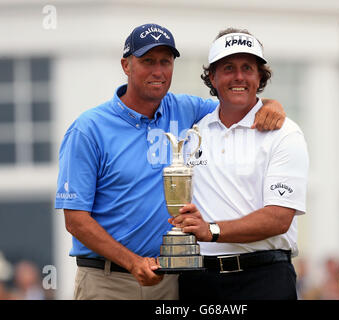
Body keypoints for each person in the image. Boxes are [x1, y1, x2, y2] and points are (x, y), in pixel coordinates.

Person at [55, 23, 286, 300]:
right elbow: (75, 220)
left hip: (169, 280)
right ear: (126, 65)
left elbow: (237, 102)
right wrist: (132, 262)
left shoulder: (185, 108)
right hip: (107, 281)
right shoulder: (88, 129)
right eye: (147, 61)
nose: (158, 71)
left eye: (165, 62)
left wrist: (270, 105)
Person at [170, 28, 309, 300]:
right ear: (212, 76)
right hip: (198, 280)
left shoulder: (285, 133)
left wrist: (211, 230)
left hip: (264, 279)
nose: (239, 77)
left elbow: (279, 219)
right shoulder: (191, 131)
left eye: (248, 67)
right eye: (228, 67)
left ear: (260, 77)